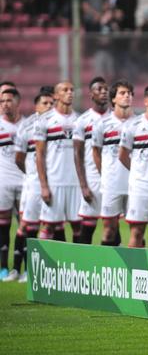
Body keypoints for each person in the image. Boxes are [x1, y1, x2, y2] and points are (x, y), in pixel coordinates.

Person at [7, 91, 53, 282]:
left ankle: (39, 271)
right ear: (36, 106)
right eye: (45, 103)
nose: (49, 106)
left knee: (49, 225)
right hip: (33, 183)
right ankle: (18, 269)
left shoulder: (59, 124)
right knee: (26, 225)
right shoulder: (27, 127)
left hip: (54, 182)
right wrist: (31, 174)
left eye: (52, 102)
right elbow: (18, 158)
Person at [118, 85, 148, 248]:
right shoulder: (133, 125)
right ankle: (133, 272)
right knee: (137, 232)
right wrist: (139, 173)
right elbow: (122, 155)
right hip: (140, 187)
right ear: (146, 101)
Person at [34, 82, 80, 242]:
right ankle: (42, 264)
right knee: (49, 225)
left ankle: (77, 264)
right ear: (56, 95)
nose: (70, 93)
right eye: (65, 90)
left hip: (76, 183)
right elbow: (39, 155)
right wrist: (44, 186)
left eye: (72, 90)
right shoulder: (45, 120)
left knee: (78, 225)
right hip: (54, 182)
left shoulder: (79, 120)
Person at [92, 80, 135, 247]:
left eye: (130, 93)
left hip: (135, 185)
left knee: (136, 229)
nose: (127, 97)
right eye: (122, 93)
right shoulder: (102, 124)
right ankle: (106, 270)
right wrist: (105, 175)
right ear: (114, 99)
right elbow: (95, 152)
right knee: (109, 229)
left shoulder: (138, 122)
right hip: (112, 183)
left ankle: (133, 271)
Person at [72, 77, 109, 244]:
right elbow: (78, 154)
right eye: (99, 89)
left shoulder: (116, 119)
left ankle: (110, 266)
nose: (103, 92)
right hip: (93, 179)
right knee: (88, 226)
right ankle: (80, 266)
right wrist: (84, 185)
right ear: (91, 94)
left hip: (113, 179)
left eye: (105, 89)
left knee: (112, 225)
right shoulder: (82, 121)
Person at [0, 88, 24, 280]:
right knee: (3, 225)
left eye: (8, 100)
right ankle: (4, 268)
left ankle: (20, 268)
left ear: (17, 102)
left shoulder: (27, 125)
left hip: (24, 180)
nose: (5, 104)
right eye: (2, 101)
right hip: (3, 181)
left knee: (24, 225)